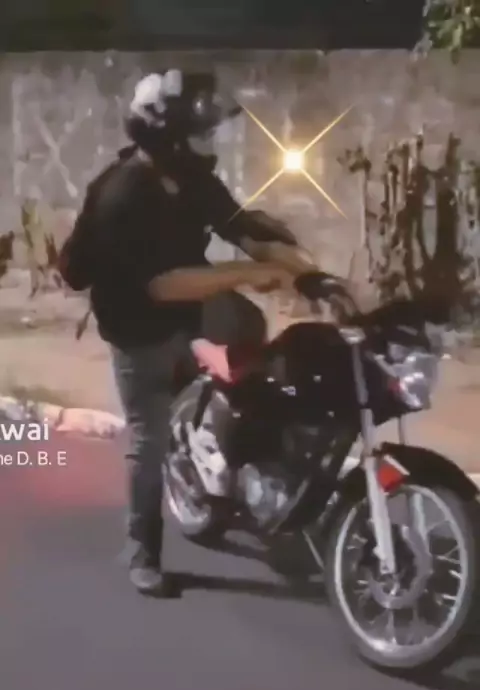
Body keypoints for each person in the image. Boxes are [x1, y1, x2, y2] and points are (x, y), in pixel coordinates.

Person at [58, 69, 314, 596]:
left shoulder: (194, 179)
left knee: (248, 326)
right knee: (148, 441)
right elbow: (162, 285)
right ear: (169, 137)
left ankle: (225, 446)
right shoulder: (121, 193)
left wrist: (309, 273)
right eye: (201, 132)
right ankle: (142, 549)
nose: (209, 140)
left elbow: (243, 230)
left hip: (189, 304)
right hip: (139, 327)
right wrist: (245, 274)